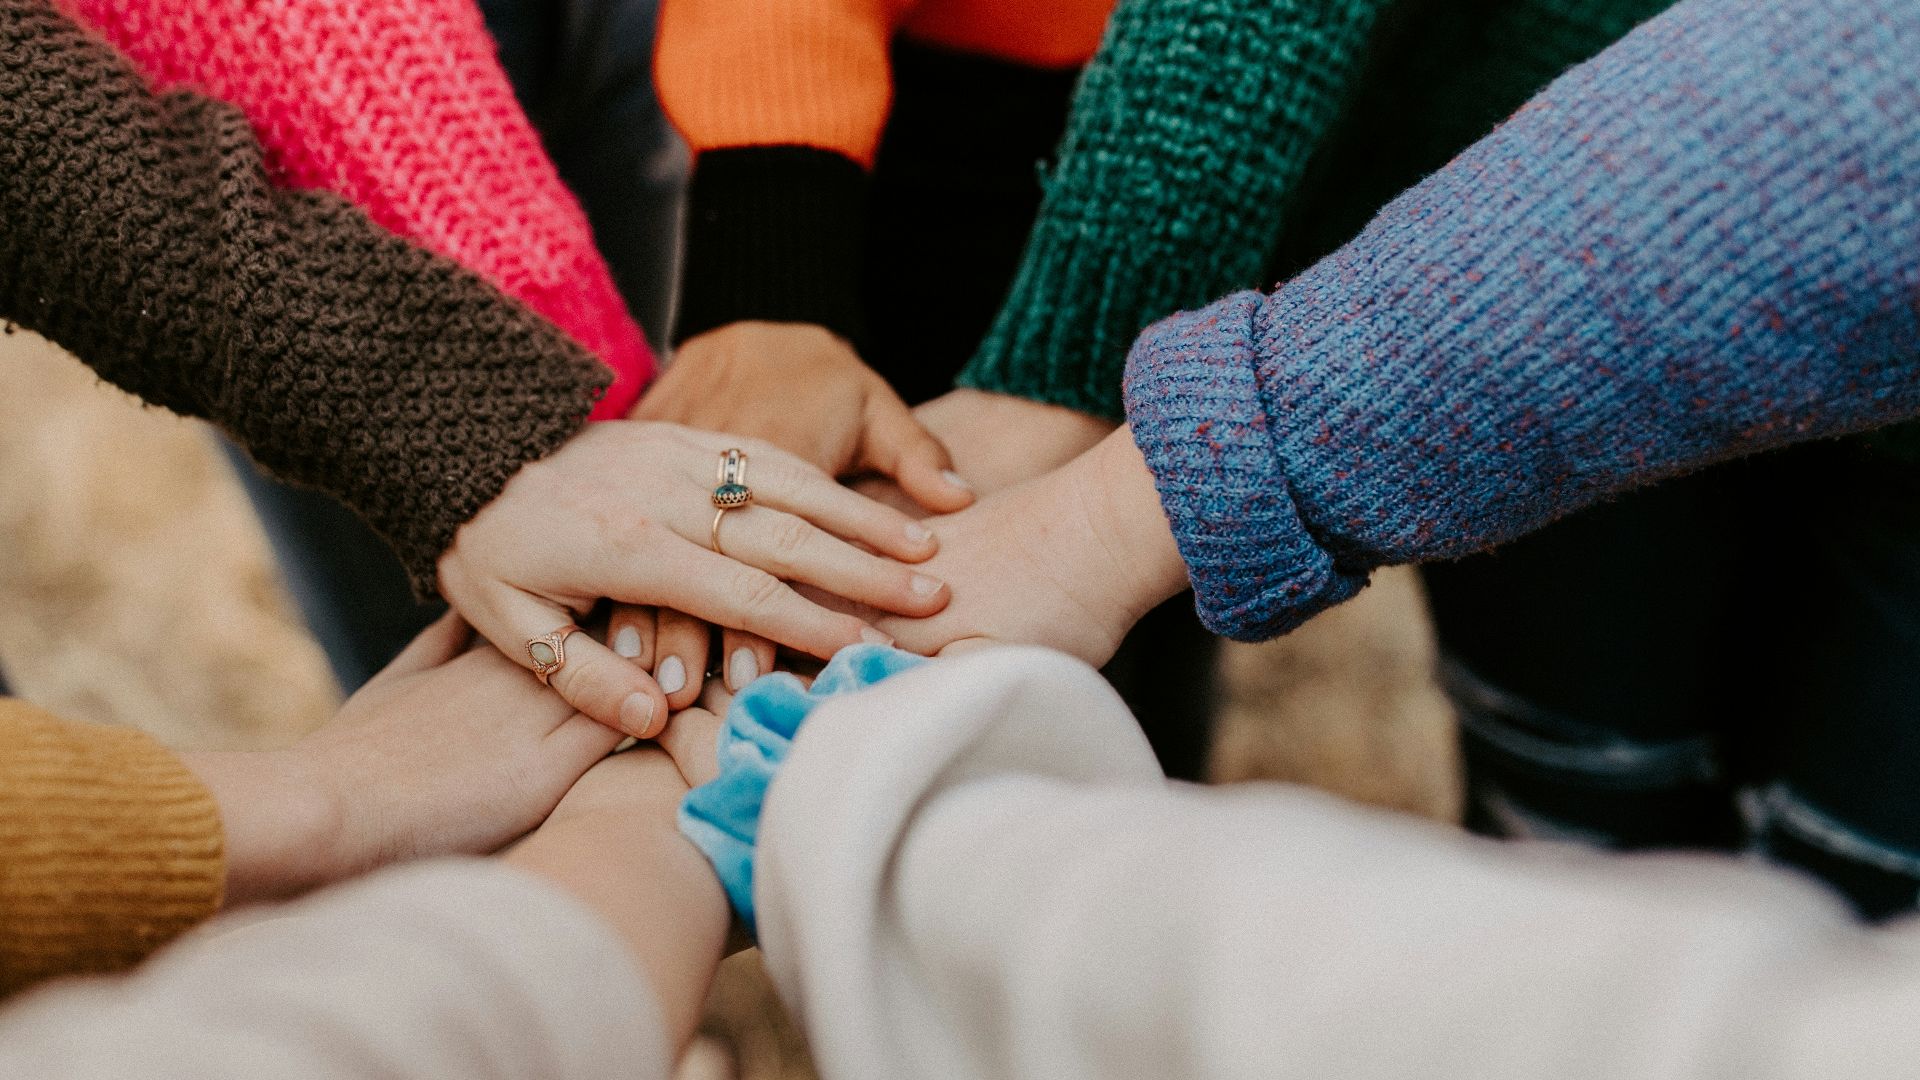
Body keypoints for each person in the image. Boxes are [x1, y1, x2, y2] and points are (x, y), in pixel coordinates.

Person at [870, 0, 1920, 911]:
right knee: (1572, 832)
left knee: (1861, 899)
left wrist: (1126, 496)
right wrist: (1071, 370)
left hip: (1538, 292)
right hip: (1540, 304)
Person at [0, 0, 945, 739]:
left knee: (617, 567)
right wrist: (443, 403)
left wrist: (768, 262)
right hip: (281, 92)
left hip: (632, 34)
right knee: (511, 693)